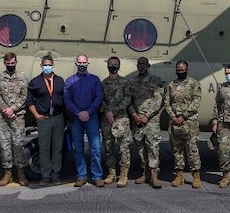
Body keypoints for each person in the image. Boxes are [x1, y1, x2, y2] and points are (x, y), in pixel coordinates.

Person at [64, 54, 104, 187]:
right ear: (76, 64)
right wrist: (78, 112)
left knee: (96, 148)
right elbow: (67, 99)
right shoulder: (70, 81)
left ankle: (97, 176)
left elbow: (99, 97)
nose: (82, 64)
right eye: (79, 62)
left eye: (84, 62)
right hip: (76, 118)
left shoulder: (95, 80)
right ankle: (81, 175)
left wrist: (88, 112)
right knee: (79, 149)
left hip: (91, 116)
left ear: (88, 63)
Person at [26, 55, 66, 186]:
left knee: (57, 148)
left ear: (53, 65)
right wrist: (36, 115)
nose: (47, 67)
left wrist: (67, 118)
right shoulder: (35, 82)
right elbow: (29, 100)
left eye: (49, 65)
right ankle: (45, 175)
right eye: (45, 65)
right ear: (41, 66)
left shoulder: (60, 81)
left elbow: (65, 100)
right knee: (44, 148)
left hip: (58, 117)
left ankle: (56, 175)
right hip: (44, 119)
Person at [0, 53, 29, 186]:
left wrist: (13, 109)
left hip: (17, 116)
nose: (11, 66)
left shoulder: (22, 77)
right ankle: (7, 173)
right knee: (5, 146)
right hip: (3, 117)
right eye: (8, 64)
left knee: (18, 144)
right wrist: (5, 109)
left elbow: (24, 96)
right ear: (4, 64)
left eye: (13, 63)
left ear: (16, 62)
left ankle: (20, 172)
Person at [128, 57, 164, 189]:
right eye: (139, 64)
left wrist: (147, 116)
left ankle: (154, 174)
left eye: (144, 64)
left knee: (153, 146)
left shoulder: (155, 81)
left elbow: (158, 101)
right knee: (141, 147)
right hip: (137, 120)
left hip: (151, 120)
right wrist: (134, 115)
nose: (141, 66)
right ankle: (146, 173)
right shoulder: (132, 82)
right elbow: (128, 101)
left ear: (148, 65)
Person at [165, 60, 202, 188]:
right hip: (175, 122)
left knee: (192, 150)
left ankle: (196, 176)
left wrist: (184, 116)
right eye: (178, 70)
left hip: (189, 122)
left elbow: (196, 101)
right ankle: (179, 175)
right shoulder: (171, 85)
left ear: (187, 69)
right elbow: (167, 103)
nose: (180, 72)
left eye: (182, 70)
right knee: (177, 150)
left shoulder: (194, 84)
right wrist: (173, 116)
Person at [99, 56, 133, 187]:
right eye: (111, 64)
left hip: (121, 119)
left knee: (124, 148)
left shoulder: (124, 82)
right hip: (107, 120)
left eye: (115, 65)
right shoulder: (103, 83)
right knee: (108, 148)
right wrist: (107, 111)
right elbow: (100, 100)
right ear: (108, 66)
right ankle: (111, 173)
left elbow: (127, 99)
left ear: (119, 66)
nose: (113, 67)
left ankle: (124, 175)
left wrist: (114, 111)